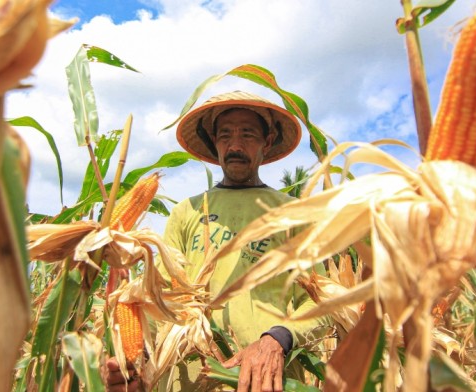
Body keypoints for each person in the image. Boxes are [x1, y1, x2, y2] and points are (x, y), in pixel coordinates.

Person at [105, 91, 329, 391]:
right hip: (191, 379)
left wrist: (278, 339)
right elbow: (160, 298)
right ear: (215, 142)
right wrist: (135, 360)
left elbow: (324, 305)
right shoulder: (188, 211)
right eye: (225, 136)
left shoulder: (293, 214)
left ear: (268, 139)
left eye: (248, 134)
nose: (235, 146)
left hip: (267, 381)